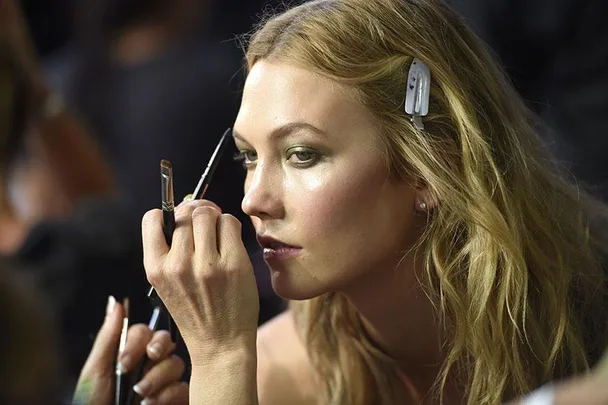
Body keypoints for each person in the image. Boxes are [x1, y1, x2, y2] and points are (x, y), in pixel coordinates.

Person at [132, 0, 608, 404]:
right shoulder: (276, 375)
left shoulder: (589, 313)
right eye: (249, 156)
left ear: (429, 166)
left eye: (302, 155)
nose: (253, 200)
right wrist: (221, 365)